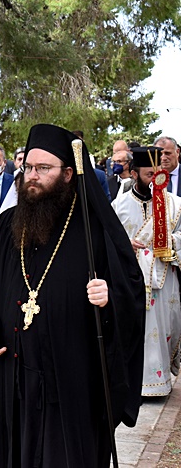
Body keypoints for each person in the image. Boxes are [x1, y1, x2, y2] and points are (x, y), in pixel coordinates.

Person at [0, 124, 144, 467]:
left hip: (72, 380)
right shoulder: (6, 227)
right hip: (15, 376)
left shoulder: (96, 229)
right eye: (28, 168)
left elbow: (131, 295)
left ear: (67, 174)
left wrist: (109, 297)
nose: (32, 176)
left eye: (43, 169)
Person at [112, 147, 181, 396]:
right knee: (133, 330)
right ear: (134, 173)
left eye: (159, 173)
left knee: (164, 329)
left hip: (164, 277)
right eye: (149, 174)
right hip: (130, 279)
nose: (156, 179)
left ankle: (160, 383)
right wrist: (123, 244)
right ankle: (132, 383)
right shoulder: (118, 206)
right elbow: (105, 241)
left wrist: (169, 242)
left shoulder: (176, 205)